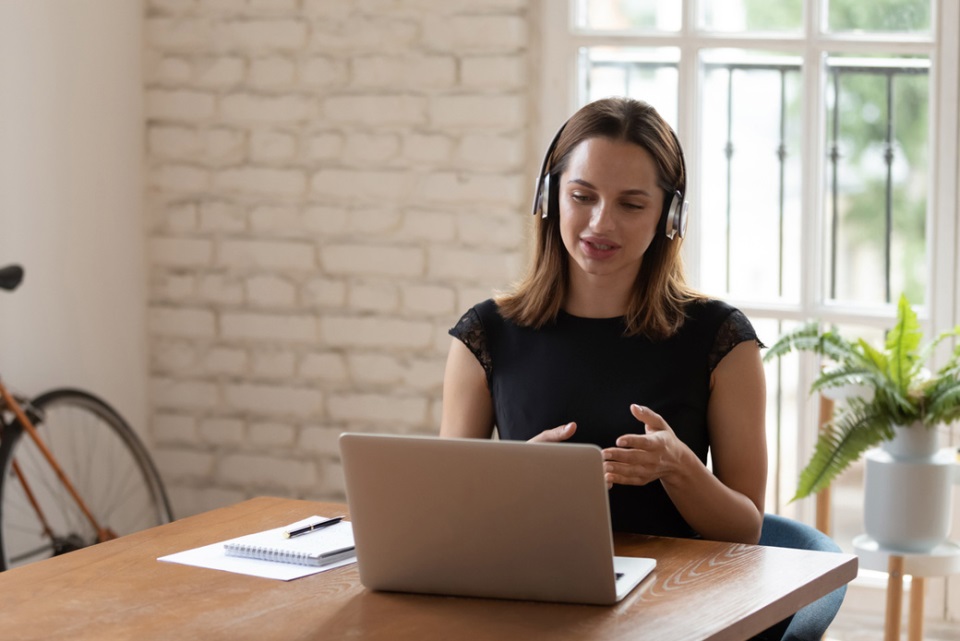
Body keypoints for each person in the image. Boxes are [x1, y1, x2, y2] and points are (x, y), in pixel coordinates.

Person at [439, 96, 768, 546]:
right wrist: (509, 480)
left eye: (631, 205)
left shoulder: (722, 340)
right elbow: (447, 514)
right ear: (549, 197)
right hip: (527, 594)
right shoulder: (485, 334)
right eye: (582, 196)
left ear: (669, 218)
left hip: (672, 604)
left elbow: (746, 530)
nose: (600, 223)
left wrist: (679, 466)